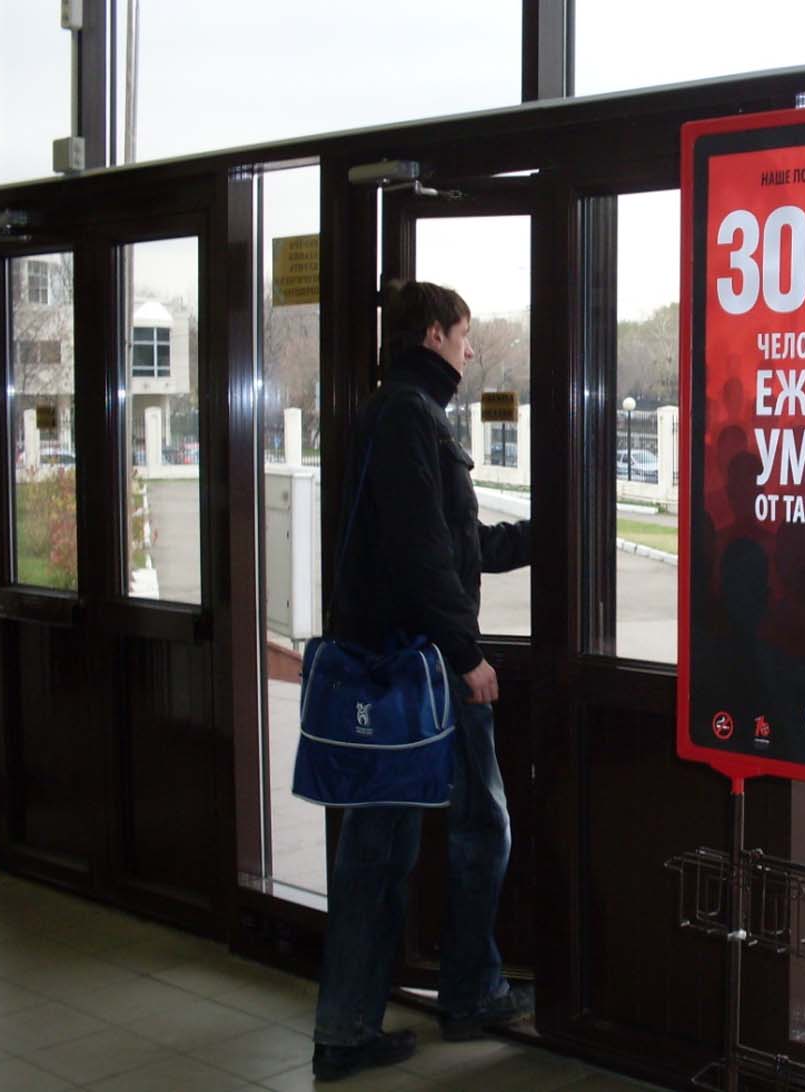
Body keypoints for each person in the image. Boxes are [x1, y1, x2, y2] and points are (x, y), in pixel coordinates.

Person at [311, 280, 533, 1082]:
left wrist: (543, 534)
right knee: (457, 831)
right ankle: (450, 998)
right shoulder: (408, 415)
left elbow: (453, 543)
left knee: (389, 844)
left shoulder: (394, 411)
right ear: (435, 334)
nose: (470, 351)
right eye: (464, 335)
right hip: (418, 669)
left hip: (399, 662)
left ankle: (359, 1024)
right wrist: (467, 656)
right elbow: (422, 555)